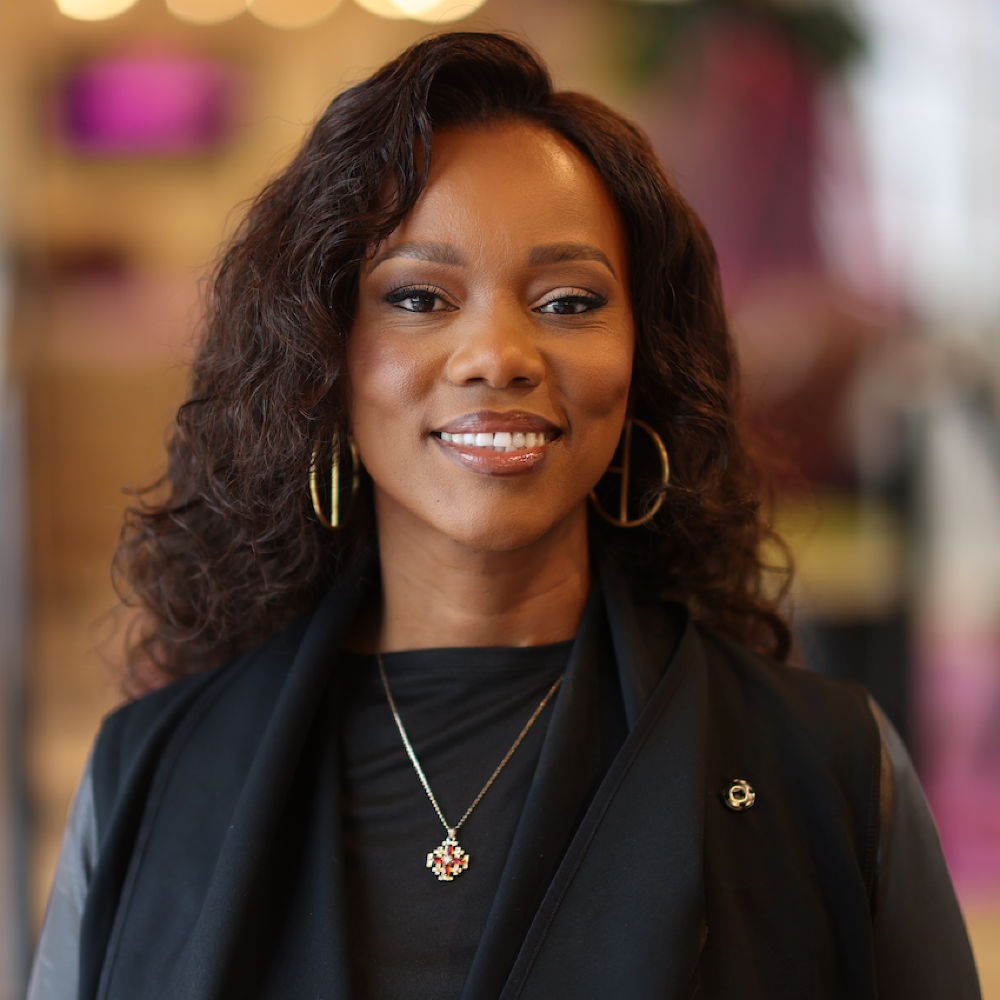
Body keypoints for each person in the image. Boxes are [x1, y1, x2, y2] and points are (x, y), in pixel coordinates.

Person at [29, 31, 980, 1000]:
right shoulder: (147, 774)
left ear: (642, 359)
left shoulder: (825, 770)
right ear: (323, 357)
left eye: (568, 301)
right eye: (418, 296)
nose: (497, 355)